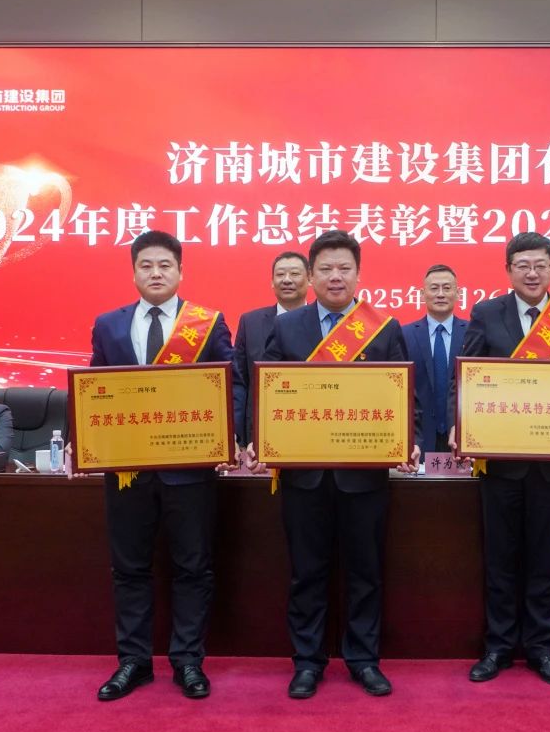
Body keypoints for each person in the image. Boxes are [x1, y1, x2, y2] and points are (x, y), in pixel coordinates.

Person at [244, 229, 419, 700]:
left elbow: (406, 398)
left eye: (344, 268)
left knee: (365, 572)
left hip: (364, 476)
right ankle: (307, 662)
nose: (335, 277)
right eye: (325, 268)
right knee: (307, 572)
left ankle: (363, 660)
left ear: (358, 274)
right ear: (310, 275)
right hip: (304, 476)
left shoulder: (383, 328)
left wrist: (411, 441)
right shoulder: (287, 327)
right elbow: (266, 394)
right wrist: (261, 441)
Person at [88, 229, 234, 702]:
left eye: (165, 265)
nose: (155, 273)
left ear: (180, 271)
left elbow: (230, 386)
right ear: (133, 272)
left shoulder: (207, 324)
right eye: (146, 265)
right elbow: (92, 390)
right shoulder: (108, 325)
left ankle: (188, 661)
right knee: (129, 568)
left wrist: (230, 436)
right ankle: (133, 661)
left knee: (193, 567)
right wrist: (79, 440)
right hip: (127, 469)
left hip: (189, 469)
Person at [452, 232, 550, 688]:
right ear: (508, 270)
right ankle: (498, 646)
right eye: (523, 265)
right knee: (500, 556)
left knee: (543, 556)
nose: (532, 273)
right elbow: (465, 375)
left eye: (540, 265)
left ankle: (540, 648)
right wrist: (461, 422)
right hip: (499, 460)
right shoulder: (486, 313)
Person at [232, 251, 310, 449]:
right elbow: (240, 381)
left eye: (294, 273)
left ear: (310, 279)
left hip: (312, 426)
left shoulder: (323, 322)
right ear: (271, 282)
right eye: (280, 274)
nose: (287, 280)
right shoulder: (250, 322)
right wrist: (237, 435)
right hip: (259, 434)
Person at [401, 264, 467, 455]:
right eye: (434, 288)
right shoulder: (404, 334)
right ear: (422, 294)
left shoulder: (473, 333)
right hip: (418, 439)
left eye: (447, 288)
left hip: (462, 436)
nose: (440, 294)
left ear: (458, 294)